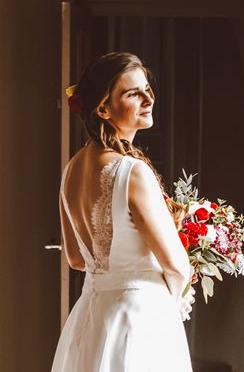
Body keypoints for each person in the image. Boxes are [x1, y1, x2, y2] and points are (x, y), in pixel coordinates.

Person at [51, 52, 195, 371]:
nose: (148, 98)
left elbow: (76, 258)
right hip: (138, 319)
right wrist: (174, 300)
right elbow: (177, 265)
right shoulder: (131, 171)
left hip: (91, 318)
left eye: (147, 89)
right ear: (103, 108)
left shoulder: (71, 170)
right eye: (133, 93)